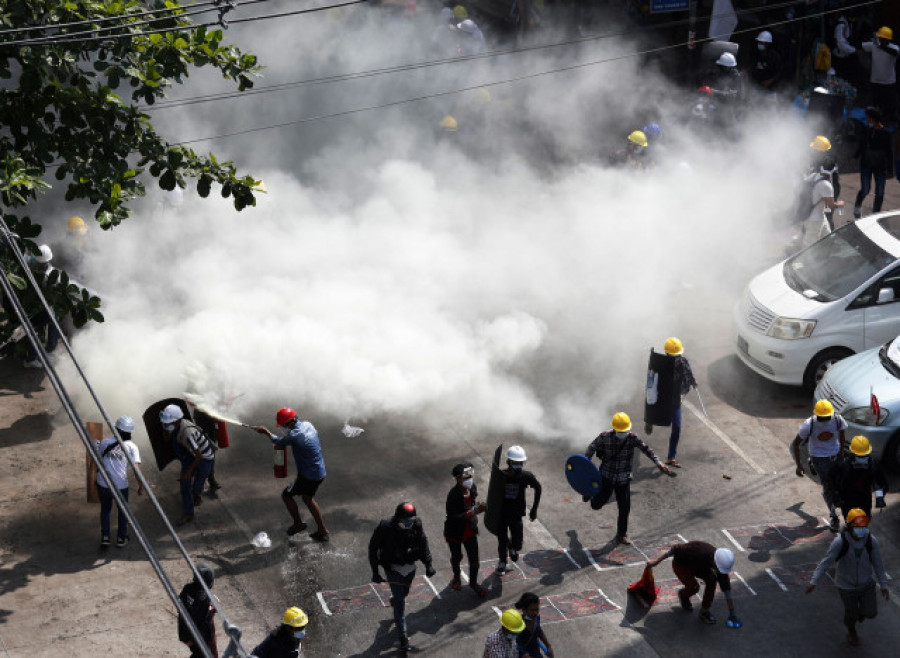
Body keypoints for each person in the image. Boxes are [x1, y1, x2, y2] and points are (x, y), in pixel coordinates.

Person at [584, 413, 671, 545]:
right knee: (596, 505)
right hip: (607, 476)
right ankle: (591, 494)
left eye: (624, 431)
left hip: (624, 478)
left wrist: (659, 463)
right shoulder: (604, 437)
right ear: (614, 429)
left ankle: (622, 533)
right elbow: (591, 448)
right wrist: (586, 465)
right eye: (620, 431)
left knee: (624, 508)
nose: (623, 433)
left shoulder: (632, 438)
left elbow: (647, 450)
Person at [806, 509, 889, 647]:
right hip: (846, 586)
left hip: (866, 584)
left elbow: (878, 563)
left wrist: (884, 585)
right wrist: (814, 581)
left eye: (863, 527)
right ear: (849, 526)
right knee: (851, 614)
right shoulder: (840, 542)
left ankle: (859, 614)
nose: (861, 530)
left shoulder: (870, 541)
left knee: (871, 612)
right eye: (857, 527)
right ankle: (852, 631)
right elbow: (826, 562)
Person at [369, 502, 436, 652]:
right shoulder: (385, 527)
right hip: (393, 569)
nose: (408, 524)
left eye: (410, 521)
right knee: (400, 603)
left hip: (410, 567)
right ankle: (403, 637)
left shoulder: (416, 524)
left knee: (403, 595)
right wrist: (375, 571)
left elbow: (423, 543)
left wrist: (428, 564)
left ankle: (394, 601)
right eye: (405, 522)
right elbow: (373, 548)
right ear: (398, 519)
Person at [254, 407, 329, 541]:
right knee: (307, 498)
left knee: (287, 495)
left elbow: (278, 441)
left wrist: (265, 431)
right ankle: (322, 529)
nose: (282, 428)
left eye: (283, 425)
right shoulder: (308, 424)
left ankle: (298, 524)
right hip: (320, 471)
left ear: (289, 423)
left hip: (308, 475)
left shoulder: (294, 436)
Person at [646, 542, 739, 626]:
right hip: (682, 565)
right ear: (715, 561)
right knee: (694, 587)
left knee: (712, 581)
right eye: (718, 568)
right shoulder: (698, 551)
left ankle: (704, 612)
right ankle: (683, 595)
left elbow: (726, 589)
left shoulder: (721, 566)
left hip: (701, 568)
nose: (719, 571)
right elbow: (674, 549)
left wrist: (732, 613)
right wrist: (656, 562)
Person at [791, 399, 847, 532]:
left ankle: (840, 502)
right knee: (828, 488)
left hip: (835, 455)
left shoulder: (838, 420)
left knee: (842, 484)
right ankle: (834, 517)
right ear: (816, 416)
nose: (825, 420)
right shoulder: (808, 425)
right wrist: (799, 465)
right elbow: (796, 444)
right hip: (819, 458)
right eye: (822, 418)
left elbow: (843, 435)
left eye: (827, 417)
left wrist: (841, 454)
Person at [160, 404, 216, 526]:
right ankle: (188, 513)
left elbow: (198, 455)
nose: (167, 425)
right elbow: (168, 439)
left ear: (177, 420)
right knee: (185, 485)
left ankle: (197, 494)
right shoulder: (178, 425)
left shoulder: (187, 434)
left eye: (169, 422)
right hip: (191, 455)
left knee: (196, 486)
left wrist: (189, 473)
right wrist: (165, 429)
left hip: (204, 458)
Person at [95, 415, 143, 549]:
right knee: (123, 511)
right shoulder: (132, 447)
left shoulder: (105, 443)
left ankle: (105, 537)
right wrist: (140, 486)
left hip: (103, 483)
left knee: (105, 509)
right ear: (130, 432)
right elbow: (137, 470)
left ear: (116, 428)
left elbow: (97, 460)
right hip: (121, 486)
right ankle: (121, 538)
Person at [495, 445, 541, 574]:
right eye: (516, 463)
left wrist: (534, 509)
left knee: (518, 544)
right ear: (508, 462)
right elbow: (493, 495)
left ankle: (512, 547)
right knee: (501, 539)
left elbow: (538, 488)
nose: (518, 466)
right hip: (502, 514)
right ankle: (502, 562)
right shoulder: (501, 476)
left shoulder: (526, 476)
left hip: (516, 515)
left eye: (521, 463)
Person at [444, 462, 488, 598]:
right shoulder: (453, 496)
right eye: (465, 477)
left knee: (474, 560)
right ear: (458, 479)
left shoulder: (472, 488)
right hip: (455, 532)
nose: (469, 479)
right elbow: (453, 518)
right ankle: (456, 577)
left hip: (469, 529)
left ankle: (473, 583)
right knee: (457, 556)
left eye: (470, 476)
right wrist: (473, 512)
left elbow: (473, 503)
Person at [797, 137, 843, 248]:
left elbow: (829, 184)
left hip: (824, 196)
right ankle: (824, 243)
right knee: (823, 219)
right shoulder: (830, 162)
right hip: (824, 196)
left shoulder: (823, 164)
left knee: (825, 218)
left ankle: (825, 244)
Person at [22, 244, 60, 369]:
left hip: (28, 302)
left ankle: (44, 352)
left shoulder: (28, 260)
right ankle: (33, 358)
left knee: (35, 330)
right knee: (38, 329)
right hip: (38, 306)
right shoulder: (49, 275)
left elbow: (25, 255)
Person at [832, 436, 888, 520]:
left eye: (864, 455)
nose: (862, 458)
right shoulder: (844, 466)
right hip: (848, 500)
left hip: (864, 499)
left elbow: (881, 483)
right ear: (853, 453)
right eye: (859, 456)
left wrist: (880, 497)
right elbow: (835, 483)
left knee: (864, 521)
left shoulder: (874, 465)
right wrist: (836, 497)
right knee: (850, 522)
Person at [662, 337, 697, 468]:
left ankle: (671, 457)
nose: (677, 358)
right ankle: (649, 421)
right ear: (667, 354)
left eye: (678, 355)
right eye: (673, 355)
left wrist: (693, 381)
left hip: (675, 400)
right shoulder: (662, 365)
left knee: (676, 428)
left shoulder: (683, 362)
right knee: (655, 416)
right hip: (662, 399)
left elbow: (689, 372)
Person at [852, 106, 893, 218]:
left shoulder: (886, 133)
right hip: (866, 165)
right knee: (865, 189)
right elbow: (862, 145)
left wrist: (890, 170)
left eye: (867, 117)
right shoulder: (868, 131)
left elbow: (889, 152)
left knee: (879, 193)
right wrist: (855, 157)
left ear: (872, 118)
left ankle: (875, 215)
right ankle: (857, 206)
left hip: (880, 167)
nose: (866, 119)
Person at [177, 563, 218, 658]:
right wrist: (212, 608)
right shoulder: (205, 598)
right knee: (202, 655)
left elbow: (181, 603)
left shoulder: (187, 588)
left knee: (197, 654)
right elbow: (203, 618)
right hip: (197, 637)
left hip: (184, 632)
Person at [861, 27, 899, 124]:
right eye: (880, 38)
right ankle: (876, 122)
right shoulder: (874, 46)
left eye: (883, 39)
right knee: (876, 104)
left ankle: (888, 122)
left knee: (889, 106)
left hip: (889, 82)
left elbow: (894, 53)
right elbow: (861, 46)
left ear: (888, 40)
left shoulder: (894, 48)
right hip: (875, 81)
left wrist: (879, 46)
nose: (881, 40)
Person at [514, 592, 554, 658]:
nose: (535, 613)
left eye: (537, 609)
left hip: (535, 652)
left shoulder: (536, 619)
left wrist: (548, 646)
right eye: (532, 610)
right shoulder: (518, 625)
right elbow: (518, 645)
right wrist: (525, 655)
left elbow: (539, 631)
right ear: (524, 610)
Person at [831, 15, 858, 83]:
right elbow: (840, 43)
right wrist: (854, 50)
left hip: (845, 55)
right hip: (839, 56)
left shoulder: (846, 22)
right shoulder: (841, 23)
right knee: (840, 80)